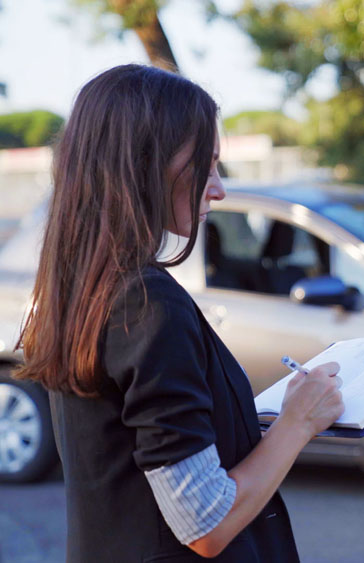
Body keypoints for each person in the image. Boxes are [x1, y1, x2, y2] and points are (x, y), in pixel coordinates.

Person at [15, 64, 345, 562]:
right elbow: (205, 522)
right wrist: (298, 423)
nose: (218, 188)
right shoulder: (145, 303)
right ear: (145, 163)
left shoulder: (81, 288)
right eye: (205, 166)